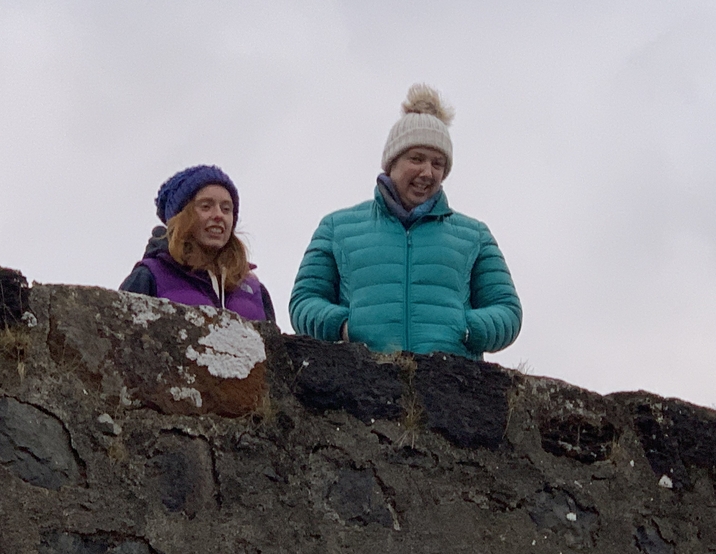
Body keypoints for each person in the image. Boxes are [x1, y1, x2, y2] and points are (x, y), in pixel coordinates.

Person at [289, 84, 521, 360]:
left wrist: (467, 328)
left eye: (438, 163)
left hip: (453, 388)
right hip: (359, 387)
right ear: (392, 162)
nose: (427, 172)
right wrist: (344, 326)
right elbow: (303, 302)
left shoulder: (475, 235)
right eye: (417, 159)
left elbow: (507, 311)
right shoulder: (336, 228)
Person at [121, 165, 275, 322]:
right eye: (206, 206)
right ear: (181, 217)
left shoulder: (255, 291)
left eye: (226, 209)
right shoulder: (149, 276)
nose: (218, 215)